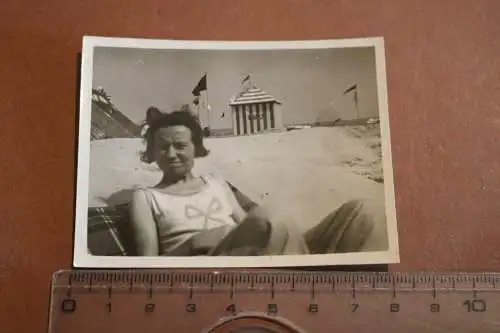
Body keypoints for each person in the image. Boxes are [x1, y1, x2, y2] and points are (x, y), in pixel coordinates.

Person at [129, 110, 388, 257]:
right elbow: (147, 264)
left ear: (195, 148)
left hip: (253, 253)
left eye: (180, 145)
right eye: (162, 147)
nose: (172, 154)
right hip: (212, 266)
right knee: (271, 217)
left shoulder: (216, 183)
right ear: (151, 153)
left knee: (364, 214)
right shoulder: (146, 197)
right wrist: (194, 243)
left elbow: (248, 226)